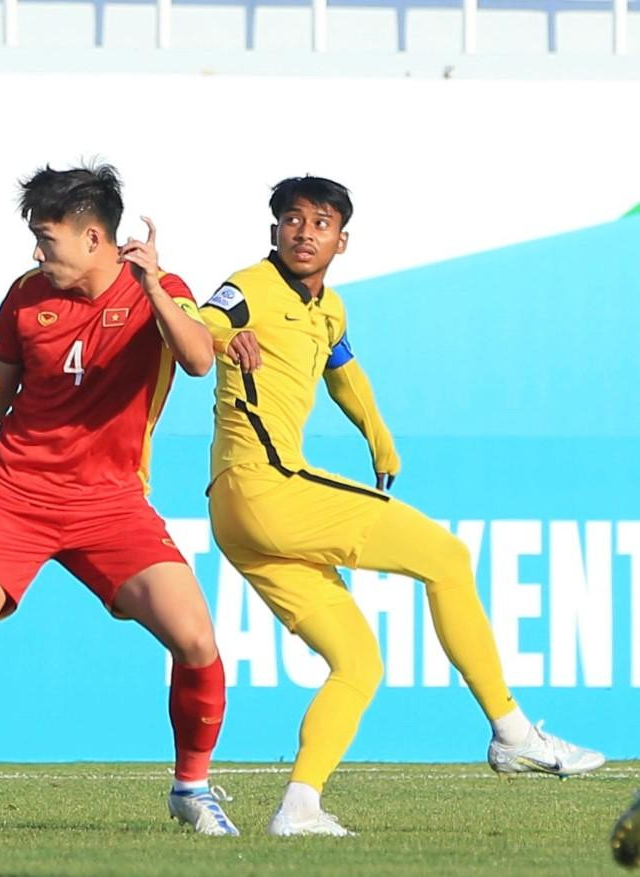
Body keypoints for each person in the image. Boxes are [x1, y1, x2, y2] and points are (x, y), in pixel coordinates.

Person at [199, 175, 605, 838]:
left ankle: (299, 806)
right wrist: (221, 338)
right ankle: (512, 731)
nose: (305, 233)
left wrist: (379, 437)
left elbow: (343, 372)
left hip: (240, 518)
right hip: (267, 486)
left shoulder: (330, 309)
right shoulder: (250, 287)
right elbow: (198, 322)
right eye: (293, 220)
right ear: (274, 230)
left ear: (343, 240)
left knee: (358, 662)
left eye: (321, 223)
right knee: (447, 557)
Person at [0, 164, 237, 839]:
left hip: (111, 502)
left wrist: (155, 287)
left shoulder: (159, 290)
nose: (37, 252)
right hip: (14, 491)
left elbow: (198, 360)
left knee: (195, 639)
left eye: (47, 238)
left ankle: (191, 787)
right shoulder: (25, 297)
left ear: (94, 237)